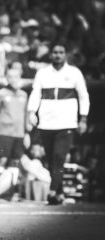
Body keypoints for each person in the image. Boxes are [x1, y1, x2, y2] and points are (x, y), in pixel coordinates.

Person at [27, 42, 90, 205]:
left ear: (65, 55)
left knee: (59, 157)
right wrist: (31, 112)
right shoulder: (42, 73)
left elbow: (83, 96)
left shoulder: (74, 73)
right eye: (55, 52)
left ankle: (53, 191)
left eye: (61, 52)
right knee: (49, 160)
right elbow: (35, 93)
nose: (57, 55)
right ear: (51, 55)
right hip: (46, 122)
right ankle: (60, 192)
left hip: (67, 122)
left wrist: (83, 118)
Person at [0, 68, 30, 168]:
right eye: (10, 77)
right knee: (2, 159)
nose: (13, 79)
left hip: (19, 134)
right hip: (4, 133)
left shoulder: (23, 95)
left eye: (16, 77)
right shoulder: (0, 93)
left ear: (20, 78)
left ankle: (13, 184)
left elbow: (26, 115)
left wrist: (27, 134)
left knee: (16, 162)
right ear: (6, 78)